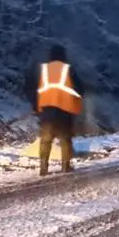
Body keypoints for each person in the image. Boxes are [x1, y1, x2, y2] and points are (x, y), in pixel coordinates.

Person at [24, 44, 84, 176]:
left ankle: (43, 168)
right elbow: (79, 88)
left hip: (46, 109)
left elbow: (34, 89)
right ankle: (65, 166)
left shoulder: (44, 69)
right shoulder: (68, 69)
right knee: (65, 139)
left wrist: (36, 107)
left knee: (46, 139)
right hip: (64, 109)